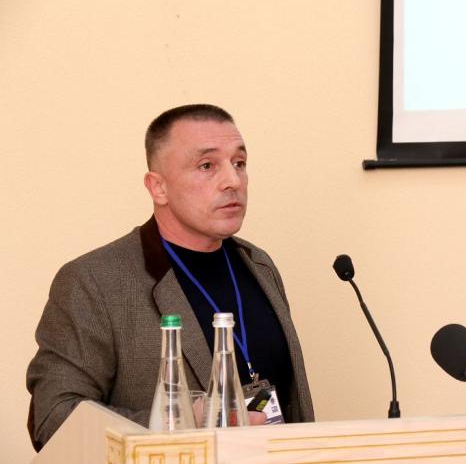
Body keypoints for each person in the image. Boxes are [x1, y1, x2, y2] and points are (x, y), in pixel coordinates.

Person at [26, 104, 314, 450]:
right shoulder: (92, 282)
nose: (233, 181)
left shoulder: (259, 264)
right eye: (207, 166)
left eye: (239, 163)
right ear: (158, 187)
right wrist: (180, 420)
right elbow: (54, 418)